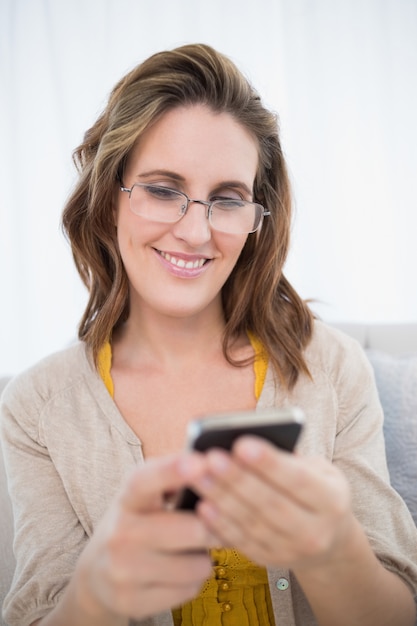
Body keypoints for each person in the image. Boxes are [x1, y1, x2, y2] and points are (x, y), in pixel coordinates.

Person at [1, 43, 417, 626]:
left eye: (228, 199)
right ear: (108, 199)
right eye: (163, 189)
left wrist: (332, 551)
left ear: (256, 218)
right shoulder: (36, 409)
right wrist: (94, 593)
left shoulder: (333, 368)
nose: (196, 231)